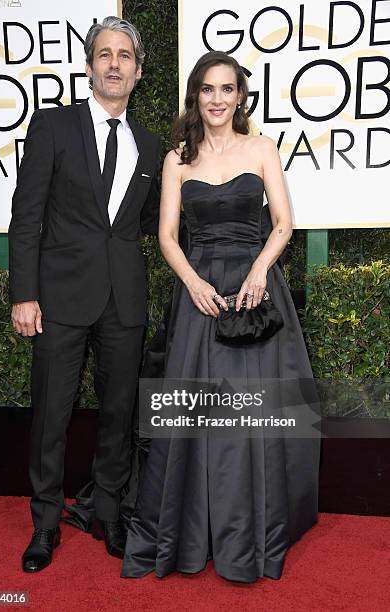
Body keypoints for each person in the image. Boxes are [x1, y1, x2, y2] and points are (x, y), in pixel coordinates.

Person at [121, 51, 320, 583]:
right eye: (208, 90)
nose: (217, 99)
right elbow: (166, 236)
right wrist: (193, 282)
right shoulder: (176, 160)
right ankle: (188, 532)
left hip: (255, 289)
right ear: (196, 96)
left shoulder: (262, 149)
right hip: (199, 292)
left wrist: (258, 274)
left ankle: (252, 530)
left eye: (227, 89)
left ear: (240, 96)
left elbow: (283, 222)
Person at [8, 16, 160, 572]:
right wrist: (24, 292)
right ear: (90, 65)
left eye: (125, 55)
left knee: (119, 415)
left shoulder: (150, 143)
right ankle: (45, 525)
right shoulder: (52, 126)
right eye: (105, 54)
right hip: (59, 297)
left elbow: (142, 221)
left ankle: (110, 514)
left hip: (124, 299)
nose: (114, 63)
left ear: (139, 72)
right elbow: (26, 216)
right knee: (51, 414)